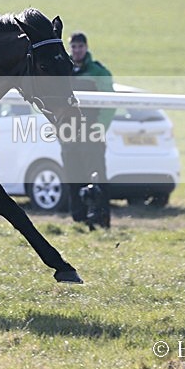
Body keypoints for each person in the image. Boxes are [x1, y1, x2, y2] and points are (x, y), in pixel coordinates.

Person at [60, 31, 115, 227]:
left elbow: (110, 104)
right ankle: (79, 219)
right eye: (73, 46)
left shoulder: (99, 73)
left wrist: (99, 128)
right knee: (73, 176)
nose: (77, 50)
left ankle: (101, 219)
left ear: (86, 47)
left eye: (80, 46)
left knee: (97, 175)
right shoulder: (63, 71)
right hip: (69, 133)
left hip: (92, 133)